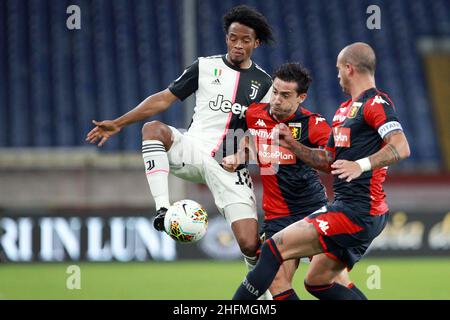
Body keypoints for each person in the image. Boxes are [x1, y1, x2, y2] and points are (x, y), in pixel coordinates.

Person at [85, 5, 274, 295]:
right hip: (194, 150)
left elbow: (260, 134)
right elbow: (163, 99)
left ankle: (264, 294)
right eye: (233, 37)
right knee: (153, 130)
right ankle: (162, 208)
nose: (238, 44)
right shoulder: (205, 66)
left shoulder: (265, 84)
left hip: (230, 165)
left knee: (250, 244)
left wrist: (244, 155)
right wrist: (119, 123)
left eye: (245, 40)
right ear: (226, 38)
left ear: (256, 42)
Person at [232, 42, 410, 300]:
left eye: (339, 69)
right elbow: (327, 159)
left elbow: (401, 147)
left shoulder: (376, 103)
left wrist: (360, 165)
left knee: (272, 249)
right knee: (317, 282)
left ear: (349, 69)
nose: (337, 74)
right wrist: (292, 144)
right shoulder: (343, 112)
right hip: (350, 208)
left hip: (356, 210)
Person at [223, 62, 358, 300]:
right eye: (275, 92)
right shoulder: (255, 114)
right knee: (276, 281)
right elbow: (251, 143)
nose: (276, 100)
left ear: (301, 97)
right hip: (277, 215)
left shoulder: (313, 124)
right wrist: (239, 155)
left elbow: (331, 163)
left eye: (285, 95)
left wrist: (293, 146)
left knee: (331, 279)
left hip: (313, 209)